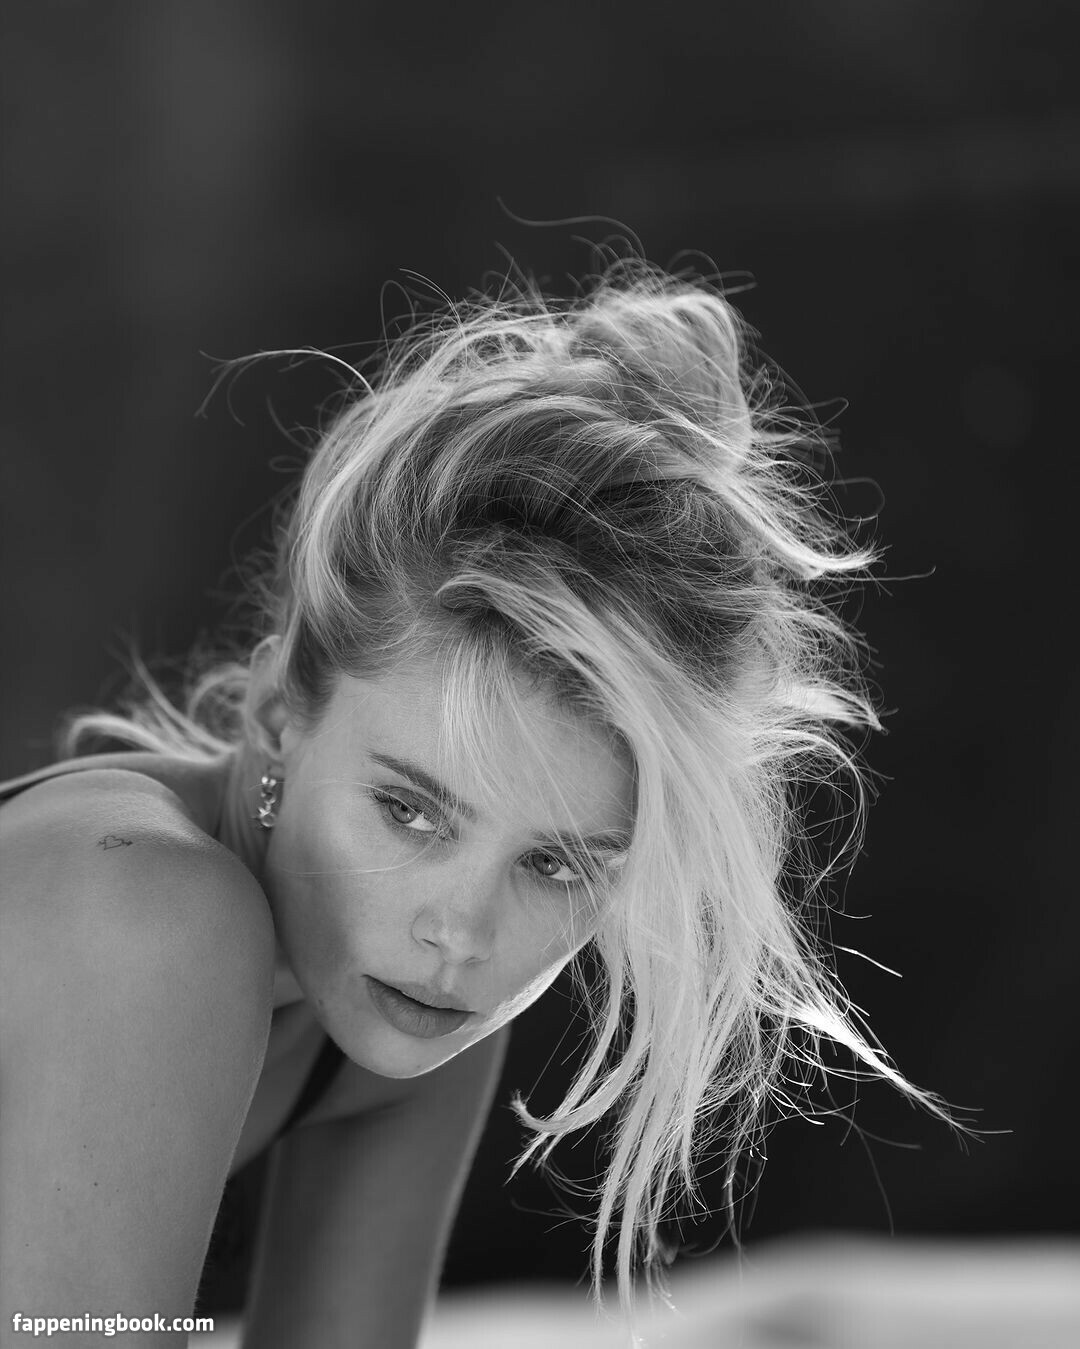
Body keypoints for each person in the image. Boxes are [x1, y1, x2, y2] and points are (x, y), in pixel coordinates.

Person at [0, 253, 951, 1348]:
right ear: (276, 713)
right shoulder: (155, 914)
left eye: (554, 862)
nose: (462, 930)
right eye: (410, 811)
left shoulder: (403, 1003)